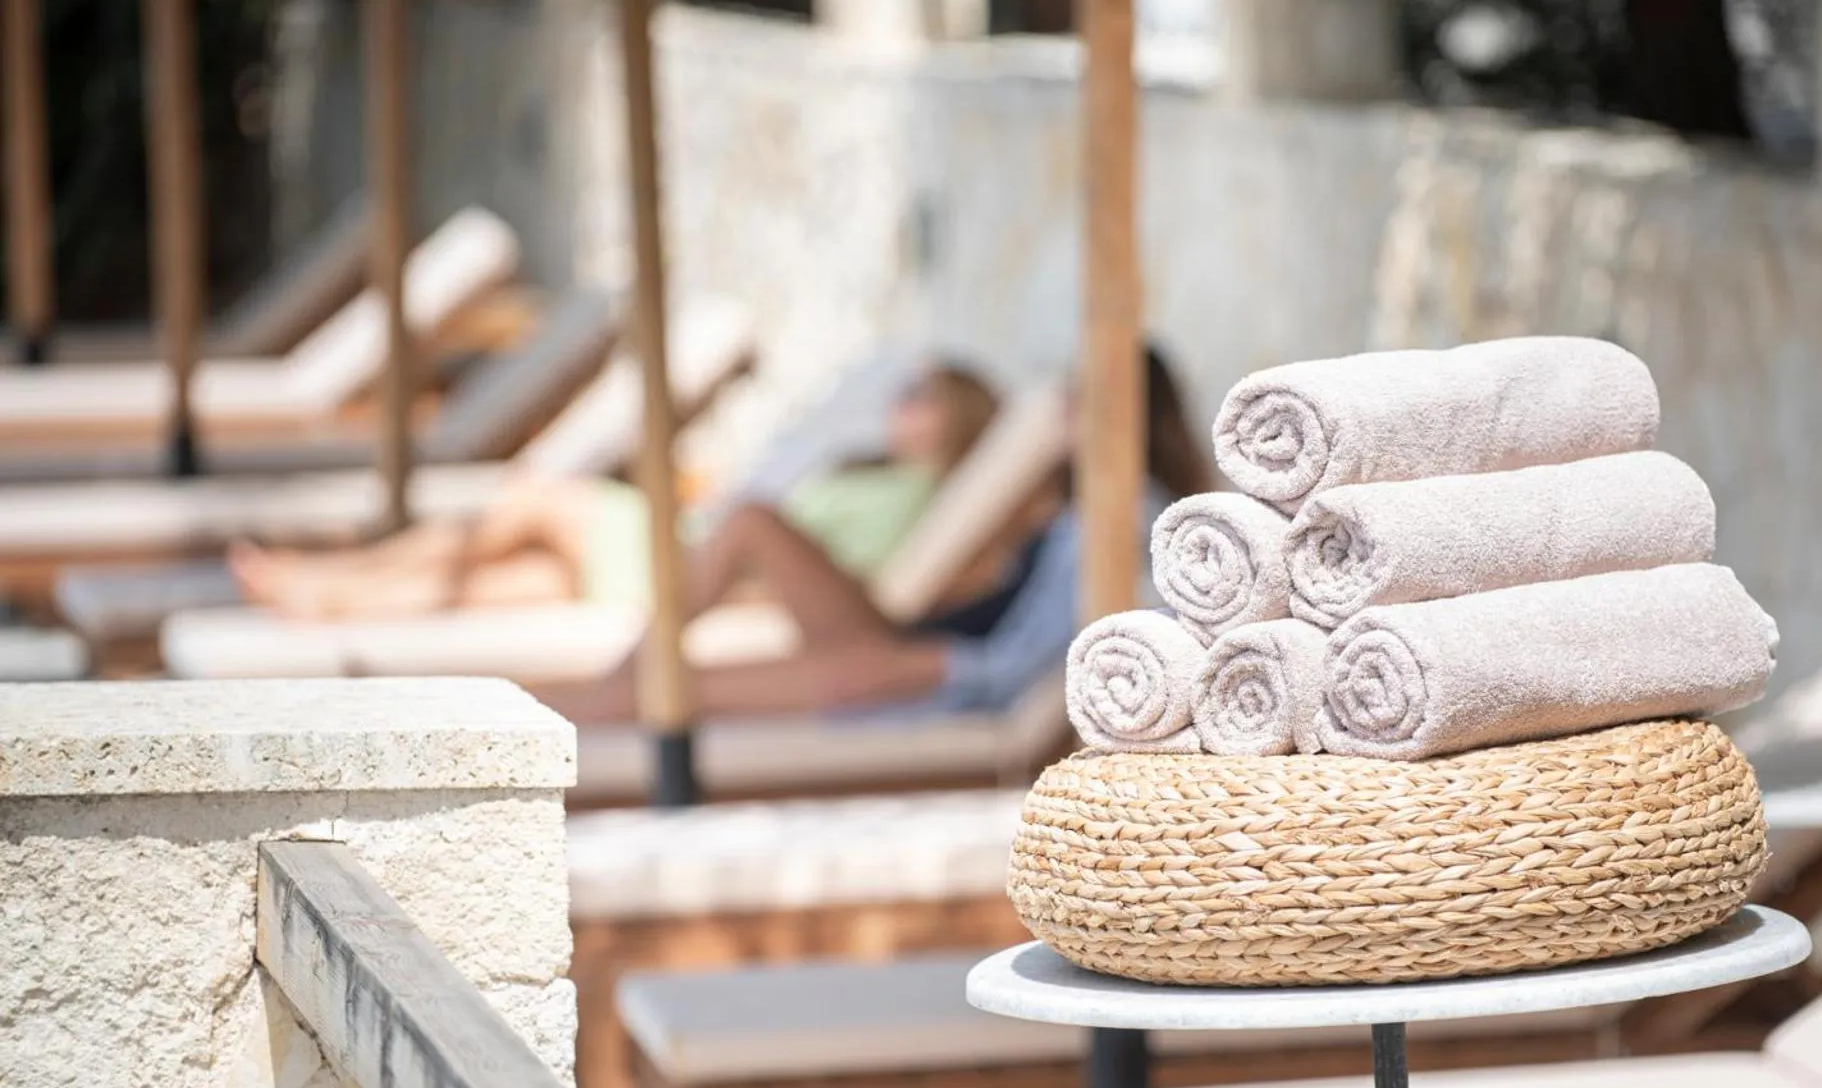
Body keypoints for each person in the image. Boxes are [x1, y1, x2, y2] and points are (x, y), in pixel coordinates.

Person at [538, 345, 1216, 724]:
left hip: (922, 668)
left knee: (670, 691)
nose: (1054, 415)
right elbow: (979, 595)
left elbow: (1034, 664)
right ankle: (572, 702)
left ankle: (543, 726)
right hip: (907, 644)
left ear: (1124, 415)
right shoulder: (1065, 504)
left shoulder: (1126, 520)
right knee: (747, 526)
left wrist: (927, 666)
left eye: (1075, 403)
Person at [227, 363, 1002, 621]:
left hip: (710, 570)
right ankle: (344, 601)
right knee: (532, 582)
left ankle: (346, 575)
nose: (901, 402)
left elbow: (831, 576)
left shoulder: (915, 498)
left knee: (537, 498)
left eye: (922, 395)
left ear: (958, 418)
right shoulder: (882, 474)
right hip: (704, 552)